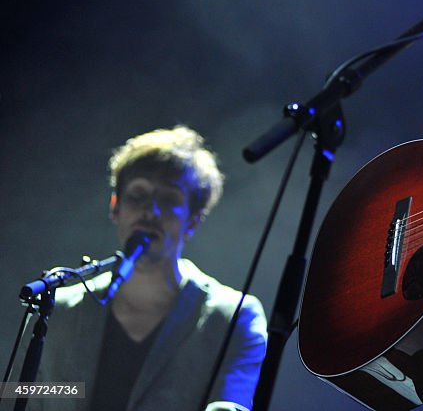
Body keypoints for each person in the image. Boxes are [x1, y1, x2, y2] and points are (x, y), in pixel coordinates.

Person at [23, 126, 266, 411]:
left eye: (169, 200)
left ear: (194, 220)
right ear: (115, 206)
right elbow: (22, 397)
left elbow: (230, 406)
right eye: (138, 195)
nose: (151, 211)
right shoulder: (59, 310)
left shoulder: (233, 318)